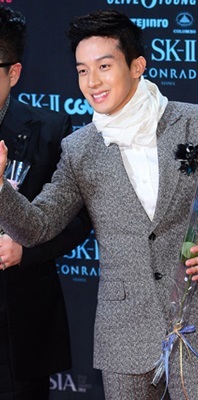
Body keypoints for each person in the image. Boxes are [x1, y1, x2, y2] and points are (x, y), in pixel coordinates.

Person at [0, 9, 198, 400]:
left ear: (137, 66)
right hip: (124, 334)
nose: (92, 82)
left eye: (104, 66)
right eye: (82, 71)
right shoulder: (79, 149)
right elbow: (36, 226)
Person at [0, 6, 92, 400]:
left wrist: (26, 251)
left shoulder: (50, 130)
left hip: (17, 322)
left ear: (14, 73)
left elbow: (79, 221)